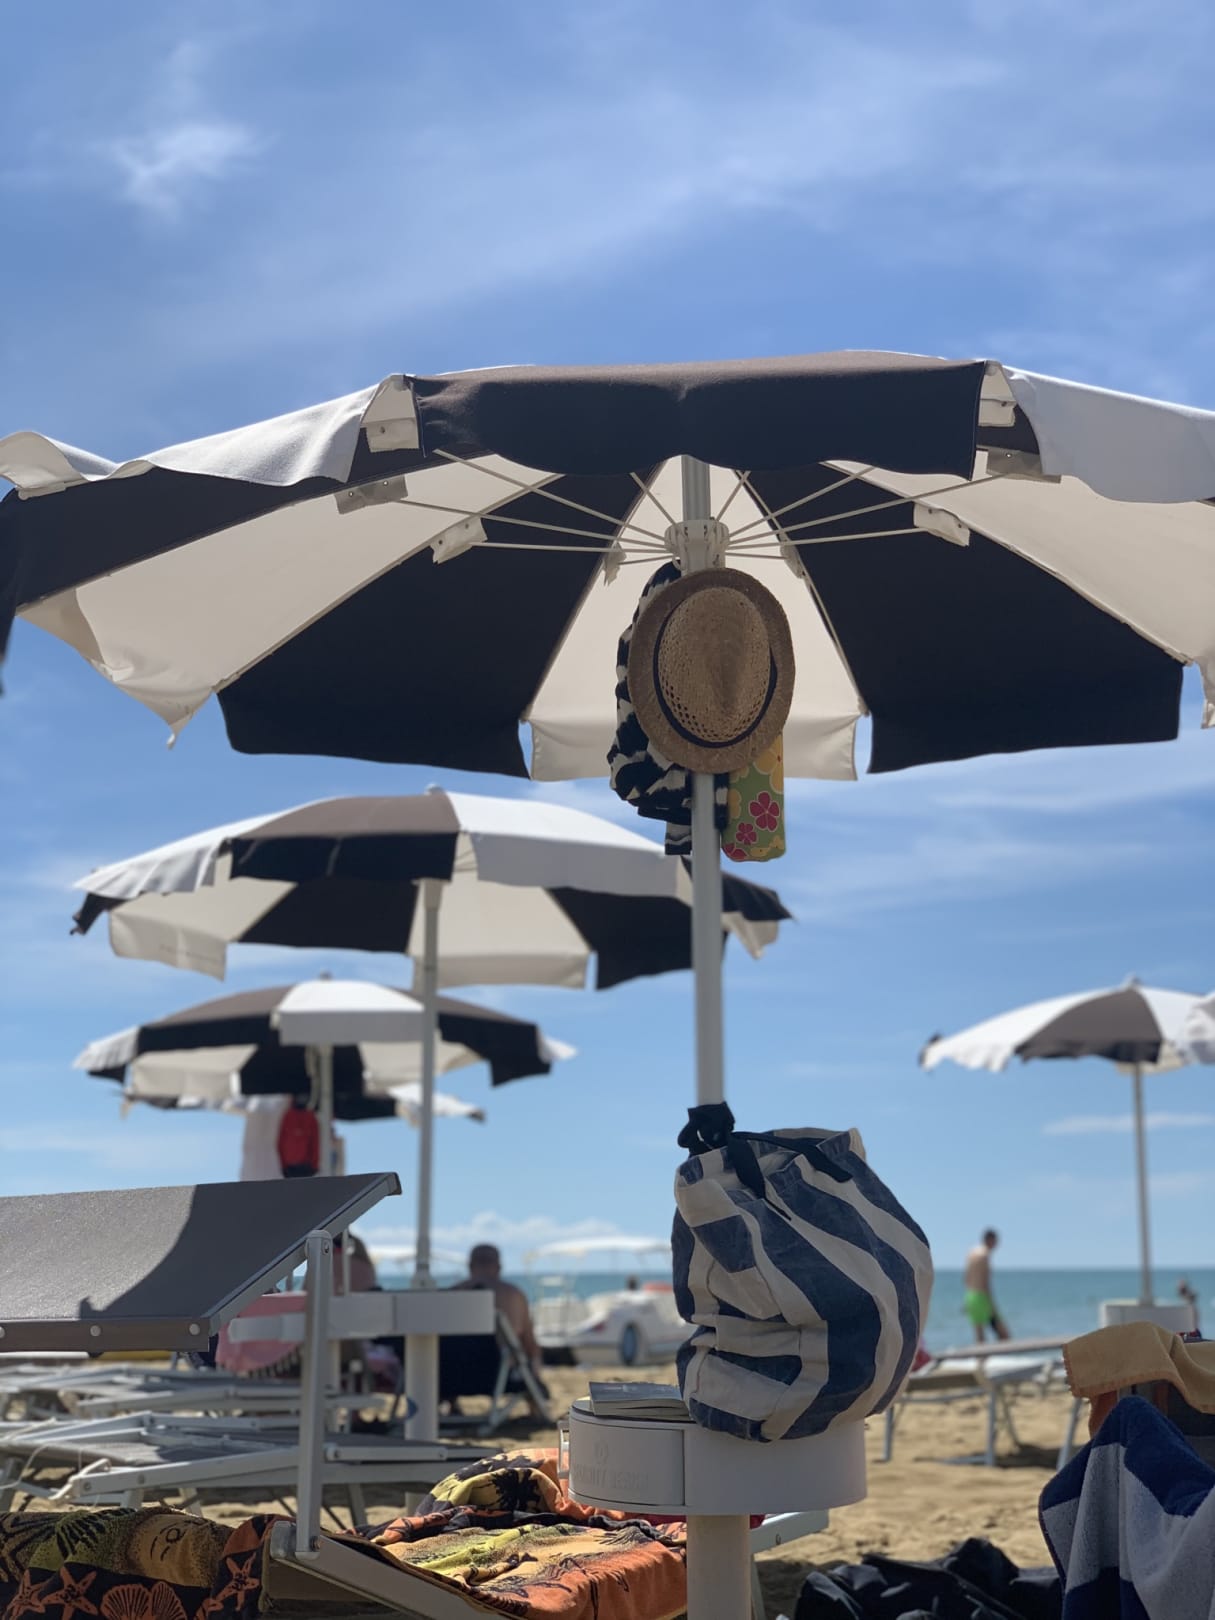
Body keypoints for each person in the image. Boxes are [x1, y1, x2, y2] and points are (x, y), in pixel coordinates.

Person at [441, 1243, 546, 1416]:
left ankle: (452, 1404)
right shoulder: (513, 1295)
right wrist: (535, 1375)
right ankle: (535, 1407)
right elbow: (530, 1345)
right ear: (498, 1267)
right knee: (526, 1359)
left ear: (470, 1266)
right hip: (498, 1376)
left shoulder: (450, 1294)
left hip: (448, 1379)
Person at [963, 1229, 1010, 1343]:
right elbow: (985, 1282)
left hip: (971, 1295)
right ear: (990, 1240)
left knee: (980, 1337)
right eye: (996, 1241)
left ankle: (983, 1355)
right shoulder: (985, 1255)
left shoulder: (972, 1252)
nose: (997, 1245)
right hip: (982, 1296)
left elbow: (966, 1278)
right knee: (1004, 1335)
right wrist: (992, 1303)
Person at [276, 1097, 320, 1178]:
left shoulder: (310, 1117)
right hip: (292, 1167)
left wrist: (314, 1165)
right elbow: (280, 1143)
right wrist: (283, 1166)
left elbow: (315, 1143)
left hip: (304, 1166)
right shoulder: (288, 1116)